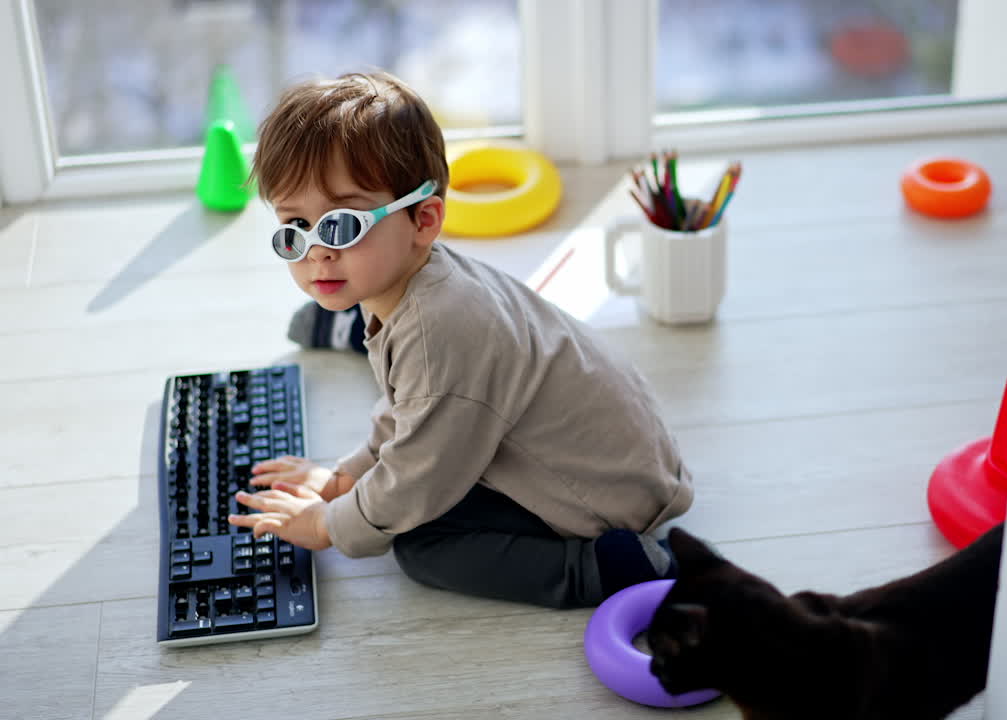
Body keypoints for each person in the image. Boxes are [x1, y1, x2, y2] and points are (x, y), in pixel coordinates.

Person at [228, 71, 693, 609]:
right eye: (294, 229)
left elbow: (416, 480)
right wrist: (345, 475)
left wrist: (329, 524)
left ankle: (607, 568)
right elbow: (409, 405)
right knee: (413, 481)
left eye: (341, 225)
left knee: (421, 544)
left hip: (611, 495)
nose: (317, 253)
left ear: (423, 220)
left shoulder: (438, 330)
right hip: (624, 454)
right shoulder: (419, 286)